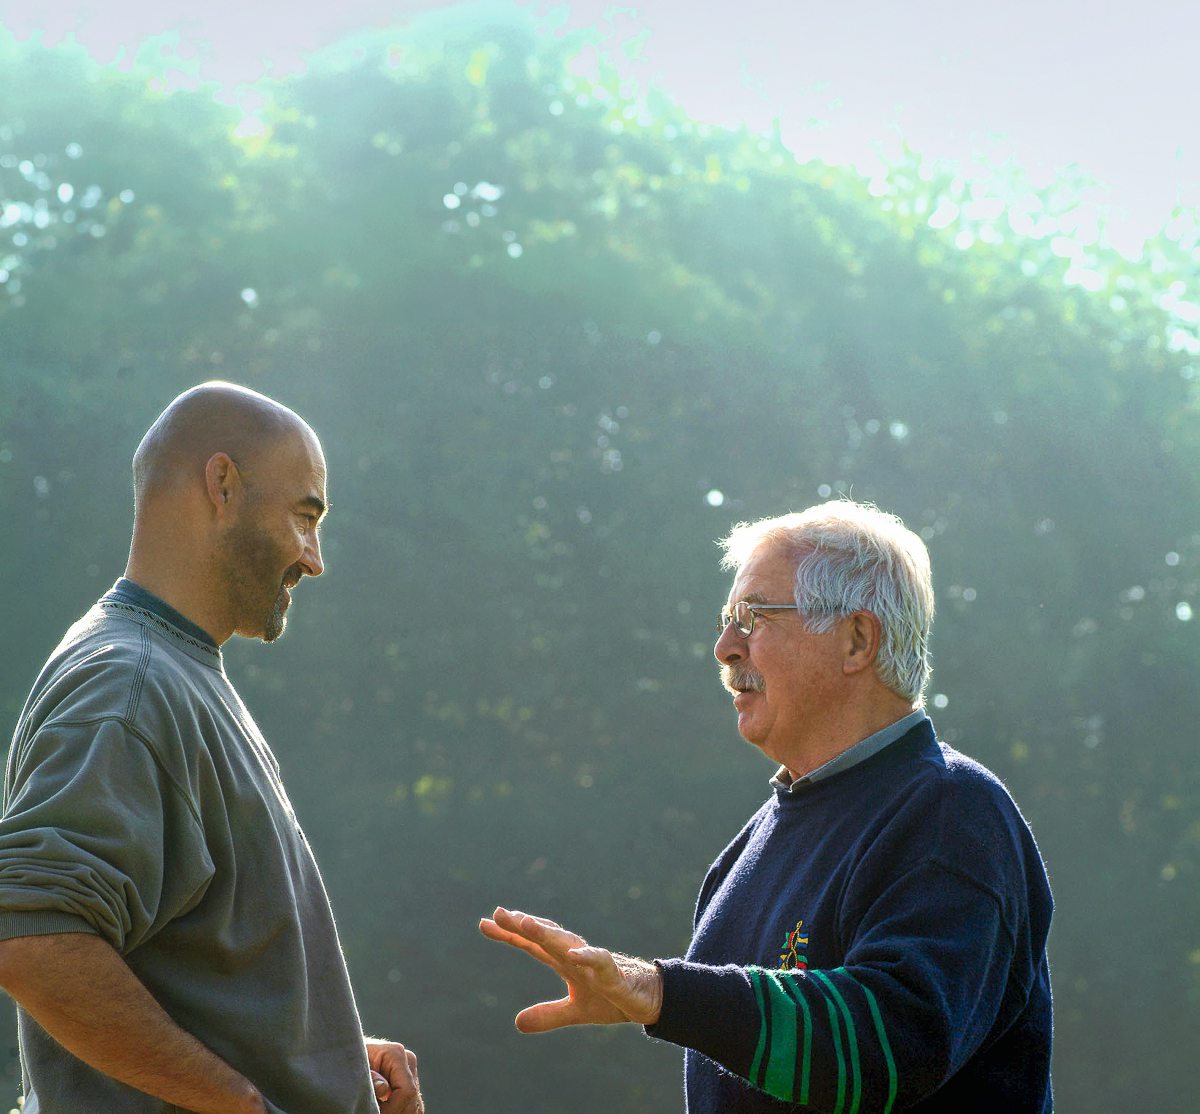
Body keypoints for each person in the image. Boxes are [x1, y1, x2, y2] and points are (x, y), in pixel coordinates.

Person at [481, 500, 1053, 1112]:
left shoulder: (951, 812)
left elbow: (893, 1047)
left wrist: (661, 991)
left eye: (752, 618)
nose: (724, 646)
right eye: (728, 619)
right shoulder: (749, 848)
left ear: (858, 640)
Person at [0, 382, 424, 1114]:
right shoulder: (127, 684)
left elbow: (196, 962)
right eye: (304, 515)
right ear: (222, 485)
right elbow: (30, 932)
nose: (314, 559)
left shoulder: (176, 672)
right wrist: (241, 1103)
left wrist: (321, 1061)